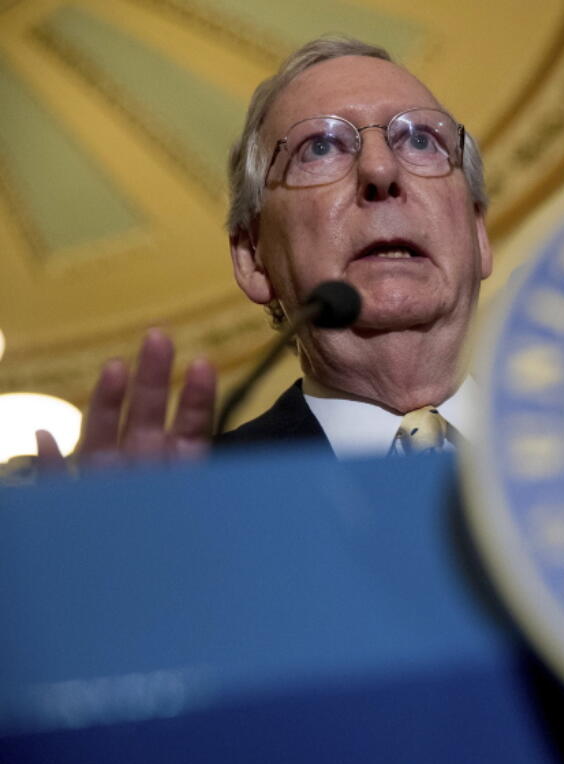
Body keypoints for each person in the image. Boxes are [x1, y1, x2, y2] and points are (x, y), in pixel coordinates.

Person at [36, 36, 492, 469]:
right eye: (319, 147)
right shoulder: (185, 500)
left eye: (419, 140)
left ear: (478, 233)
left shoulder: (563, 438)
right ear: (252, 257)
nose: (378, 168)